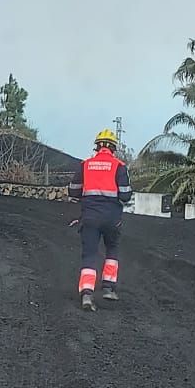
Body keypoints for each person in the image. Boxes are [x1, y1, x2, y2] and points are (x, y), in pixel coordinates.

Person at [67, 128, 131, 310]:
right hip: (112, 218)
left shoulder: (85, 165)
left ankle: (87, 293)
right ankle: (109, 288)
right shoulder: (119, 166)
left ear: (97, 147)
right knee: (112, 249)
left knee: (89, 254)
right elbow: (125, 195)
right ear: (113, 148)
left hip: (89, 216)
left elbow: (73, 190)